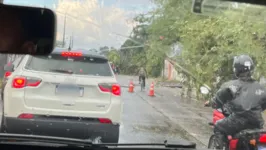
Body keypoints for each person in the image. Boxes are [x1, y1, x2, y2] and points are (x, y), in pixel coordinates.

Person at [204, 55, 266, 147]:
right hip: (257, 123)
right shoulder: (261, 88)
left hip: (237, 122)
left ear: (236, 69)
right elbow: (263, 106)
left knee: (218, 126)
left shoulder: (231, 86)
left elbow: (219, 99)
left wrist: (211, 102)